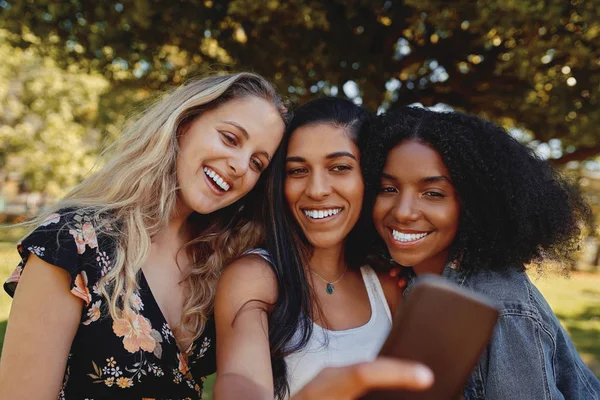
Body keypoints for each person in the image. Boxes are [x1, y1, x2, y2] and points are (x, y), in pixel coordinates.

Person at [0, 72, 287, 399]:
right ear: (184, 124)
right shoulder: (73, 241)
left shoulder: (221, 262)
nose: (239, 165)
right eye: (230, 138)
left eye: (257, 163)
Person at [362, 106, 600, 399]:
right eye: (388, 189)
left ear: (473, 206)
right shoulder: (407, 280)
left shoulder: (499, 304)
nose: (403, 211)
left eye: (433, 193)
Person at [214, 98, 433, 399]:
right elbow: (239, 380)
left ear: (368, 178)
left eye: (339, 167)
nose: (317, 190)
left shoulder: (386, 283)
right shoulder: (255, 277)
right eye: (298, 171)